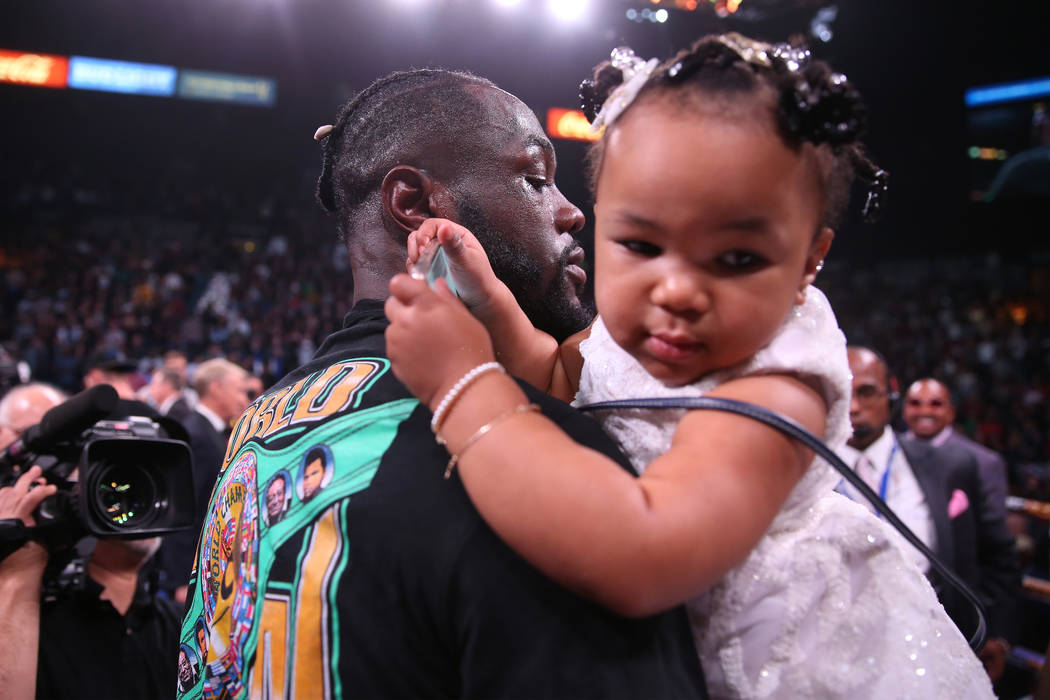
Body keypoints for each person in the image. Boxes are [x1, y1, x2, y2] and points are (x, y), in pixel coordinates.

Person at [384, 34, 993, 698]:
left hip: (786, 668)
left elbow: (642, 555)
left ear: (810, 261)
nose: (676, 290)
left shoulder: (780, 387)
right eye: (641, 243)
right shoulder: (638, 332)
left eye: (735, 260)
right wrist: (490, 301)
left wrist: (462, 386)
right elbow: (559, 378)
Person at [174, 68, 707, 699]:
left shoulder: (256, 429)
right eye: (535, 179)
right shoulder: (534, 469)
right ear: (417, 205)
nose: (571, 213)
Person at [840, 349, 1019, 683]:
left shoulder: (951, 465)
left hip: (941, 648)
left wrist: (999, 635)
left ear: (891, 393)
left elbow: (1000, 555)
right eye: (841, 391)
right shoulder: (802, 474)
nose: (852, 407)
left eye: (866, 392)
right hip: (843, 660)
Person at [0, 385, 182, 699]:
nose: (136, 492)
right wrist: (19, 569)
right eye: (115, 476)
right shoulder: (24, 617)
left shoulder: (185, 627)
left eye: (153, 474)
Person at [157, 357, 250, 601]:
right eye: (239, 390)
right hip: (191, 573)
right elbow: (183, 511)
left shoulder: (214, 431)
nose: (244, 398)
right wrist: (180, 579)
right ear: (216, 388)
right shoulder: (196, 434)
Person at [903, 377, 1010, 517]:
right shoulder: (884, 453)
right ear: (904, 410)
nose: (925, 411)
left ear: (951, 412)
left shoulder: (984, 463)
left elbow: (993, 532)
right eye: (915, 403)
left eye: (935, 404)